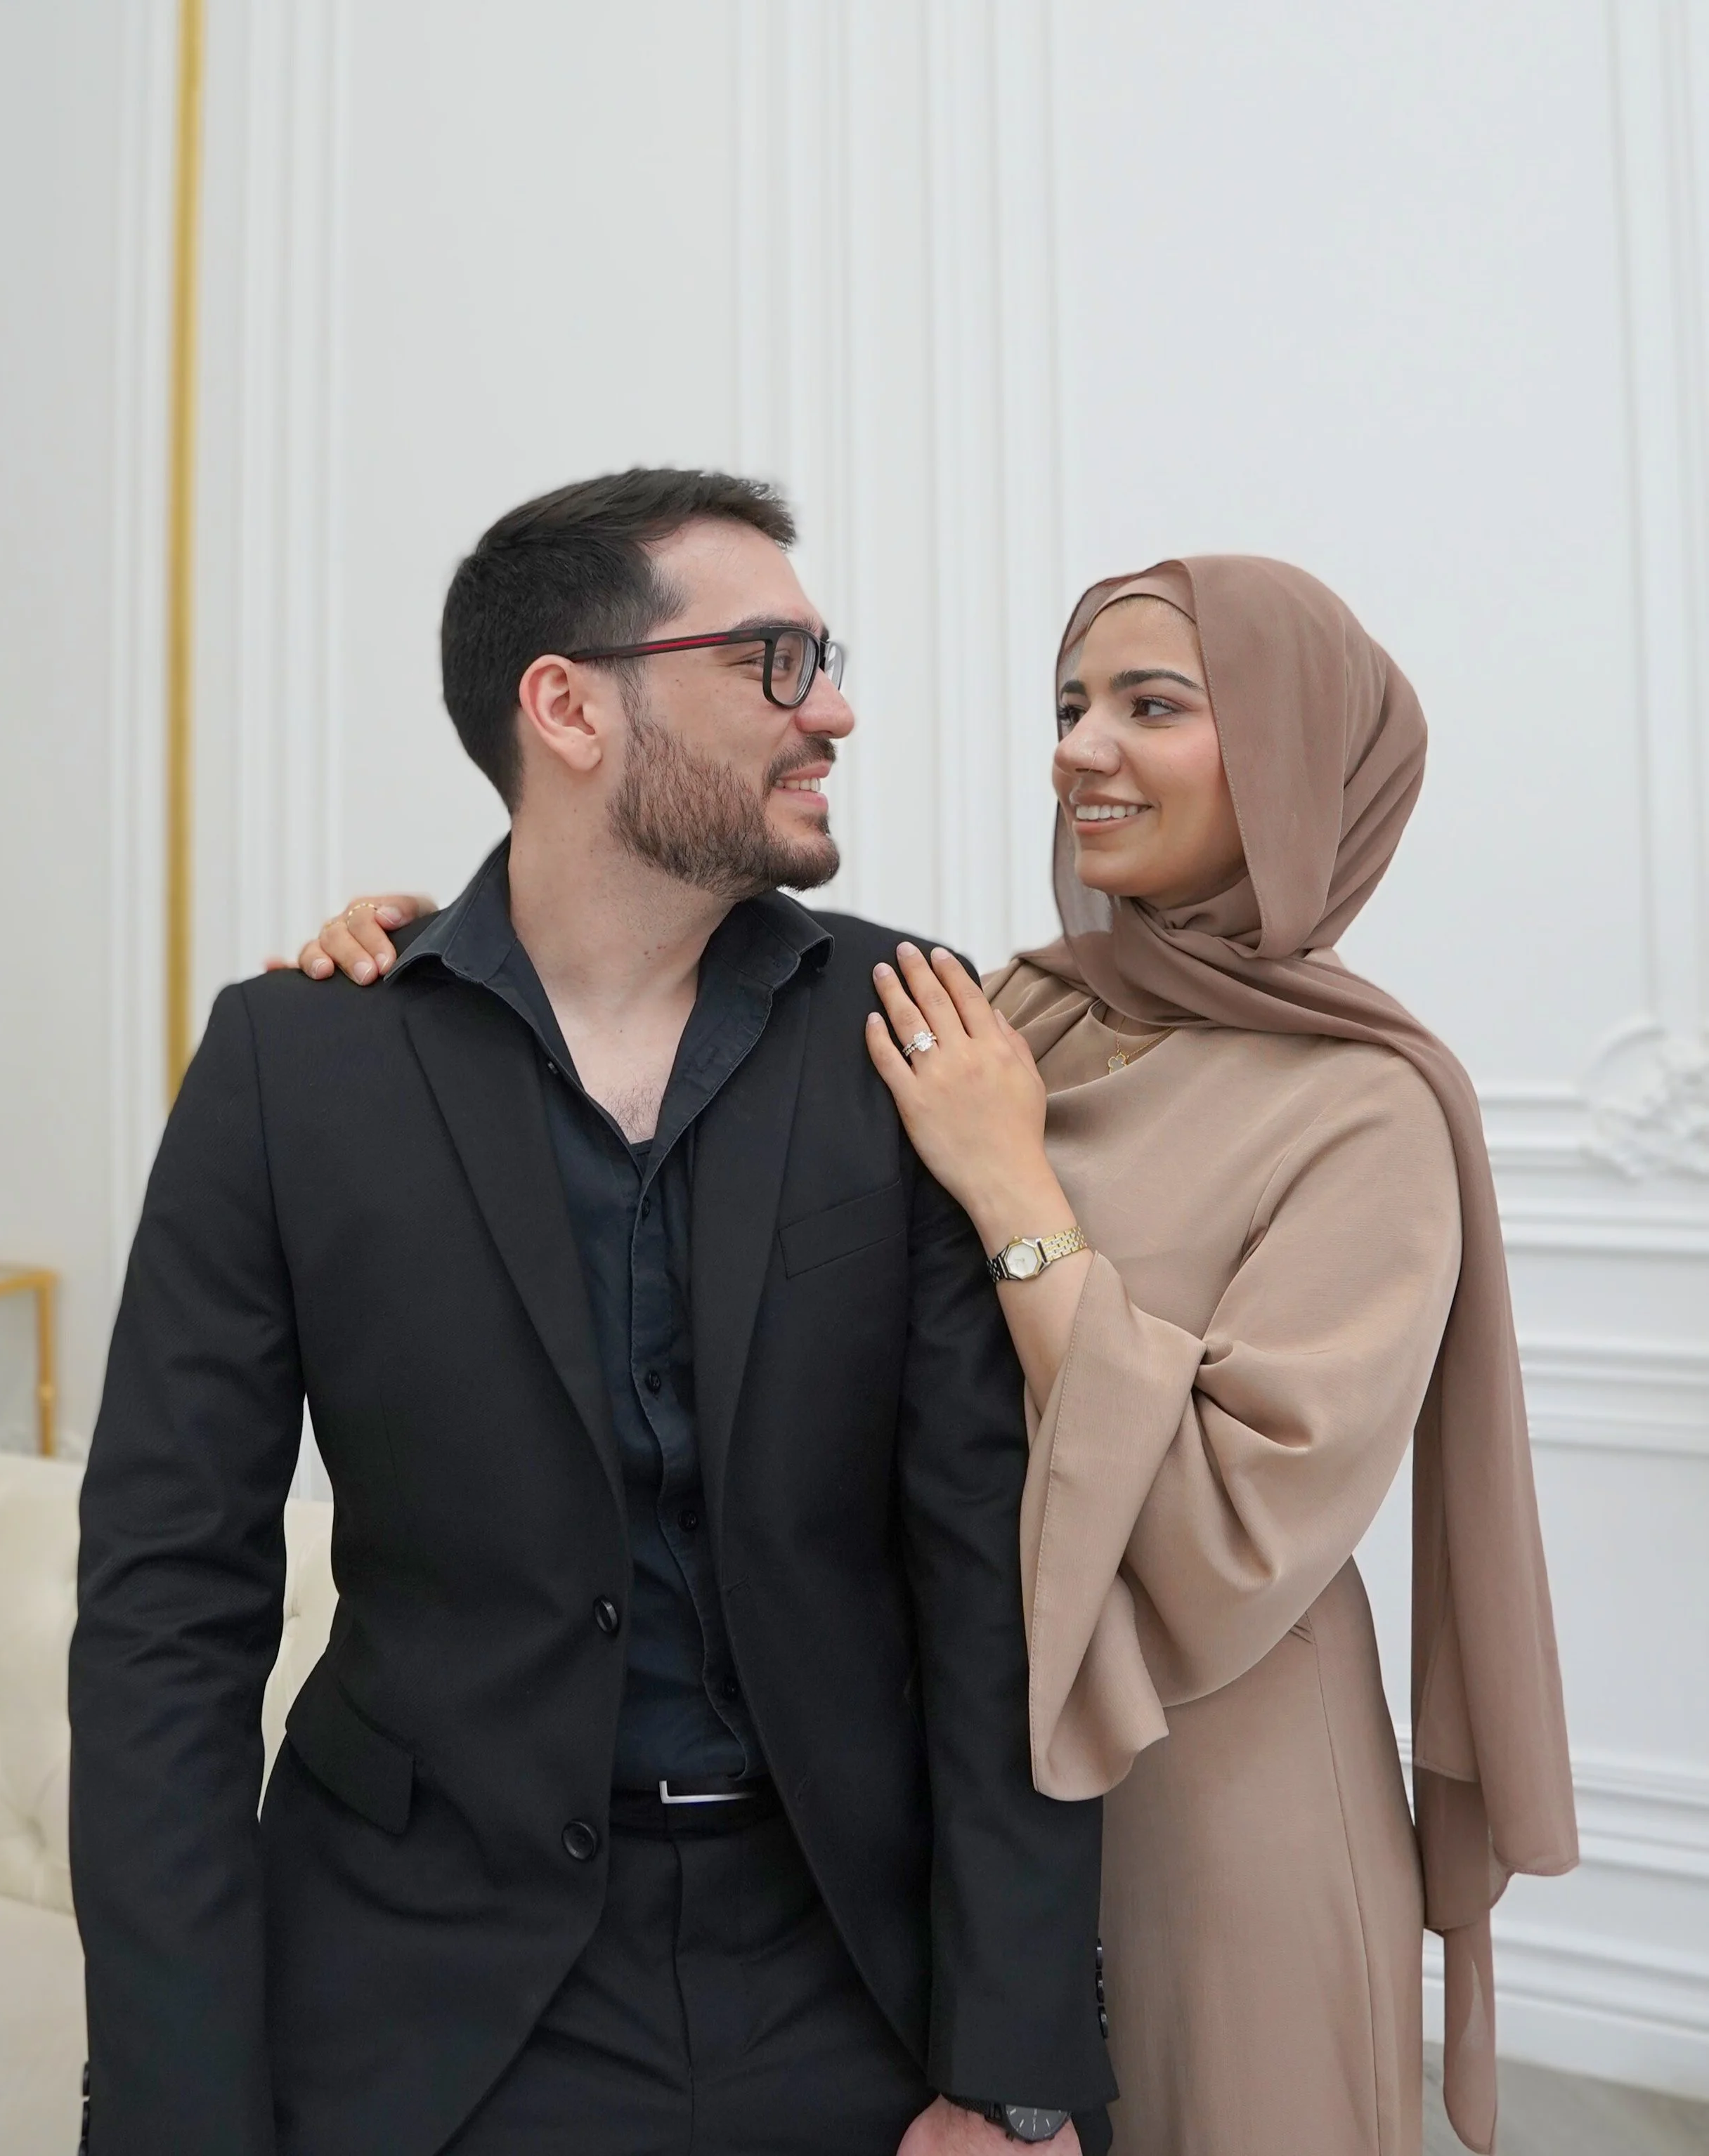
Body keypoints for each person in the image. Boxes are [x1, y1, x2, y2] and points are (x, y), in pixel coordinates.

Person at [309, 554, 1578, 2156]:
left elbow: (1225, 1525)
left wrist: (1011, 1189)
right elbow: (677, 1063)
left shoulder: (1364, 1107)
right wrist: (438, 964)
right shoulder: (1014, 1015)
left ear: (1296, 753)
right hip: (968, 1792)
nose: (1077, 749)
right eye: (1067, 707)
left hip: (1211, 1797)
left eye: (1150, 706)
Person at [69, 469, 1116, 2156]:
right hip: (421, 1974)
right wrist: (177, 2102)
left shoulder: (912, 1025)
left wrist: (1013, 2065)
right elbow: (163, 1617)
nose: (831, 707)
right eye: (771, 659)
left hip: (843, 1962)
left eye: (822, 655)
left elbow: (993, 1576)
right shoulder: (298, 1063)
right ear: (565, 704)